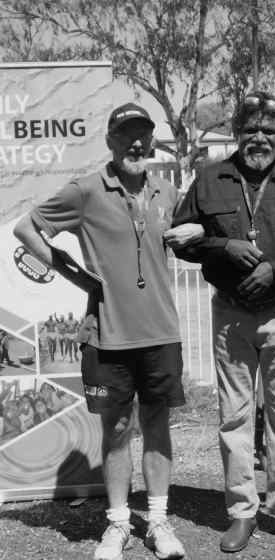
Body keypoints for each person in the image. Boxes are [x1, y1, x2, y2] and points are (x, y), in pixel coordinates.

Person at [13, 102, 189, 560]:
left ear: (151, 140)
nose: (135, 143)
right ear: (110, 141)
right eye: (126, 134)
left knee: (156, 426)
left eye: (142, 134)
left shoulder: (167, 192)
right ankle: (117, 524)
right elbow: (26, 227)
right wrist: (74, 274)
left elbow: (191, 238)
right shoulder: (87, 191)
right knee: (117, 430)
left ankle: (158, 522)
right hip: (108, 335)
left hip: (160, 332)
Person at [170, 91, 275, 553]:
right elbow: (181, 241)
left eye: (269, 131)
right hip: (229, 317)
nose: (260, 138)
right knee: (234, 419)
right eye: (251, 130)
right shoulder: (210, 179)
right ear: (238, 133)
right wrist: (225, 248)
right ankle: (241, 513)